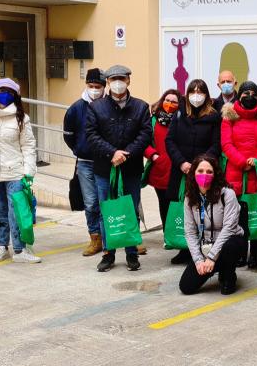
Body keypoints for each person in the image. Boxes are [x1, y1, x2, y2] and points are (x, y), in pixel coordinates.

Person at [86, 65, 152, 272]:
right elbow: (91, 134)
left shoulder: (141, 107)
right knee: (108, 212)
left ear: (128, 81)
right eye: (113, 79)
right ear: (108, 82)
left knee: (130, 210)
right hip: (105, 170)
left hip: (131, 169)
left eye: (121, 78)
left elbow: (145, 134)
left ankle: (132, 253)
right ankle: (108, 253)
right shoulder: (96, 107)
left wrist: (126, 154)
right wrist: (112, 153)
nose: (117, 82)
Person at [0, 78, 39, 264]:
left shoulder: (22, 118)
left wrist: (28, 171)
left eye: (9, 91)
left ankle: (20, 250)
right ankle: (2, 246)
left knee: (17, 212)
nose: (4, 94)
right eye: (0, 90)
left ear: (15, 96)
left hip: (15, 173)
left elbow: (28, 146)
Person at [165, 79, 222, 264]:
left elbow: (216, 144)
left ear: (206, 95)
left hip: (203, 173)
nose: (196, 95)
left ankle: (199, 249)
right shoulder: (180, 114)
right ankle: (182, 248)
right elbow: (170, 140)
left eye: (200, 91)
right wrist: (182, 163)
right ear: (187, 94)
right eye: (193, 91)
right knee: (183, 209)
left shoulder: (214, 116)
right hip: (181, 170)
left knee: (202, 210)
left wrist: (201, 164)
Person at [221, 80, 257, 266]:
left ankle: (255, 253)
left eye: (253, 92)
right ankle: (240, 252)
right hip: (237, 172)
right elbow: (226, 144)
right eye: (245, 92)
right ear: (239, 95)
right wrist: (242, 162)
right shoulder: (230, 117)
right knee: (238, 215)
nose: (249, 96)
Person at [179, 154, 245, 295]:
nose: (205, 175)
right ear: (193, 173)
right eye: (200, 171)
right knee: (186, 287)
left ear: (215, 175)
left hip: (229, 242)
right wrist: (198, 260)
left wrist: (211, 258)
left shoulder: (227, 194)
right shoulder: (190, 197)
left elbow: (229, 229)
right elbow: (190, 232)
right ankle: (216, 266)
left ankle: (228, 275)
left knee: (231, 246)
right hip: (206, 246)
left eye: (209, 172)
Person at [63, 68, 106, 256]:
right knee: (90, 202)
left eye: (98, 86)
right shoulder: (76, 108)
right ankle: (95, 238)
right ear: (86, 85)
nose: (94, 89)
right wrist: (79, 149)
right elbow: (68, 135)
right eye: (91, 86)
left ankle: (111, 237)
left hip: (106, 162)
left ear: (104, 87)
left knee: (107, 201)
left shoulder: (109, 105)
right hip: (85, 163)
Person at [145, 89, 180, 229]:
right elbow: (144, 142)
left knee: (177, 203)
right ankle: (167, 234)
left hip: (177, 169)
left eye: (174, 102)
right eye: (167, 100)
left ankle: (178, 233)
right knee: (164, 203)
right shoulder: (153, 120)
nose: (169, 104)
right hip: (159, 170)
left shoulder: (181, 120)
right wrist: (153, 155)